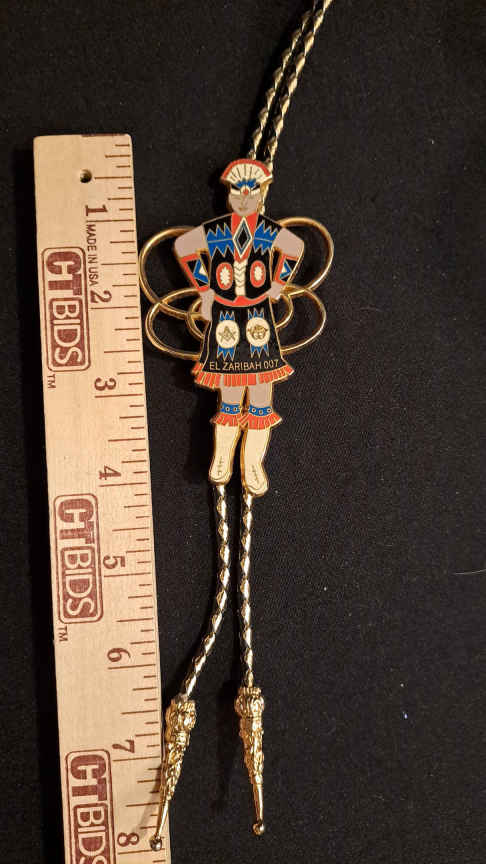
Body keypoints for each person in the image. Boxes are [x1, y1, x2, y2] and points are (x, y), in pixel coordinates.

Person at [174, 158, 304, 495]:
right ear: (229, 195)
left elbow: (295, 247)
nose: (244, 199)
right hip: (226, 320)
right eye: (237, 192)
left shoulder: (266, 230)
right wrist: (205, 290)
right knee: (230, 398)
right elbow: (184, 247)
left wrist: (278, 285)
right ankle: (222, 458)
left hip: (259, 318)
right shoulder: (217, 230)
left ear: (260, 196)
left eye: (251, 193)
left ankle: (253, 465)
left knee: (261, 399)